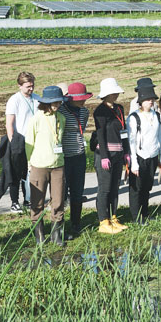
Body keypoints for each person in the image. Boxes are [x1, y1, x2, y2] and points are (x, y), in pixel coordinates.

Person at [24, 85, 67, 246]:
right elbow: (29, 143)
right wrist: (29, 163)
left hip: (58, 165)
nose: (57, 105)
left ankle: (56, 235)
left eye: (59, 102)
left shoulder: (61, 118)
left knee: (58, 200)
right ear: (46, 102)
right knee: (37, 201)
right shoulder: (36, 118)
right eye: (53, 102)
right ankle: (39, 235)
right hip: (39, 165)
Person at [92, 77, 130, 234]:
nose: (115, 95)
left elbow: (124, 132)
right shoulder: (100, 111)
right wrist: (105, 156)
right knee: (105, 188)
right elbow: (100, 134)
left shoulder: (119, 108)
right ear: (105, 94)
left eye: (116, 92)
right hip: (105, 155)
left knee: (115, 187)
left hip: (118, 153)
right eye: (112, 92)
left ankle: (113, 217)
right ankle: (103, 221)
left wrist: (126, 152)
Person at [127, 86, 161, 224]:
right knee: (137, 188)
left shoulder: (156, 115)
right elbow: (132, 141)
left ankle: (145, 213)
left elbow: (160, 136)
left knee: (147, 186)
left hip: (153, 156)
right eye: (148, 99)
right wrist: (134, 163)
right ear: (141, 101)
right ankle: (136, 217)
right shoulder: (134, 117)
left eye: (153, 99)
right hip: (139, 156)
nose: (151, 101)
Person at [60, 82, 92, 239]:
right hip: (64, 157)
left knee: (77, 191)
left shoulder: (84, 112)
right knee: (61, 193)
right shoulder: (60, 112)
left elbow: (81, 130)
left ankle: (76, 223)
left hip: (79, 155)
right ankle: (60, 226)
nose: (82, 102)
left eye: (84, 98)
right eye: (79, 99)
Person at [4, 71, 37, 213]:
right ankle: (14, 201)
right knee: (16, 173)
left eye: (32, 86)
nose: (31, 89)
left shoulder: (37, 99)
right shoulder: (14, 100)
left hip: (34, 141)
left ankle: (28, 199)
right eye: (28, 86)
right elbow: (9, 124)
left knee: (30, 172)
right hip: (19, 140)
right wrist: (13, 143)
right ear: (20, 86)